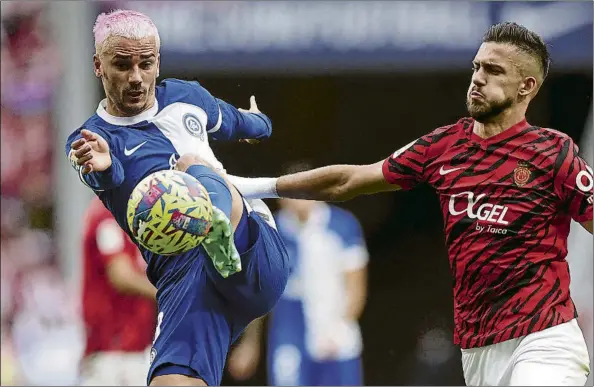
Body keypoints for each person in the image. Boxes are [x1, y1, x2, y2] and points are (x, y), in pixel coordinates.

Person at [229, 22, 594, 386]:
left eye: (494, 71)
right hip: (479, 349)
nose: (478, 79)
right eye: (476, 67)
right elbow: (350, 180)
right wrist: (250, 186)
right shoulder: (444, 146)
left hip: (545, 339)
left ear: (527, 86)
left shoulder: (552, 153)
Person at [65, 9, 290, 386]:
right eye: (122, 65)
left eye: (145, 63)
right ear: (98, 66)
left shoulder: (187, 97)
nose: (136, 77)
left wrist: (259, 123)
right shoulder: (92, 140)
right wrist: (102, 167)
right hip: (183, 276)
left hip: (248, 240)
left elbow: (242, 123)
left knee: (189, 165)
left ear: (157, 63)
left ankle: (217, 223)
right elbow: (108, 176)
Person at [228, 162, 368, 386]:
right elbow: (262, 291)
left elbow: (356, 287)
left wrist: (337, 329)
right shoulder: (273, 231)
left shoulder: (343, 226)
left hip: (334, 335)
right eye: (290, 193)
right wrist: (250, 343)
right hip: (289, 334)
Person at [79, 197, 157, 385]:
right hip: (114, 350)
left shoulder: (132, 214)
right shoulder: (107, 216)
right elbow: (121, 276)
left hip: (134, 347)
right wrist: (168, 294)